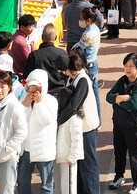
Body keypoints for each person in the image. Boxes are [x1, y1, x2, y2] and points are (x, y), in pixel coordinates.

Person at [106, 53, 137, 194]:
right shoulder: (122, 80)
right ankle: (119, 177)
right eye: (125, 65)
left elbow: (133, 104)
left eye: (131, 66)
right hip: (119, 123)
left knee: (134, 155)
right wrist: (122, 98)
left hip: (134, 126)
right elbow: (108, 97)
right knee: (119, 152)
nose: (127, 68)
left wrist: (118, 100)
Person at [0, 71, 29, 194]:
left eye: (3, 86)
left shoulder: (14, 106)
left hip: (7, 158)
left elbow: (22, 131)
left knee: (7, 191)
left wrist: (7, 148)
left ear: (9, 87)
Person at [60, 51, 99, 194]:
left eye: (63, 70)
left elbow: (73, 106)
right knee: (80, 165)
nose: (62, 73)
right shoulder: (74, 77)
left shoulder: (82, 80)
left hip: (87, 128)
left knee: (88, 165)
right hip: (79, 127)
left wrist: (58, 122)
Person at [20, 70, 58, 194]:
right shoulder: (24, 99)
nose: (34, 90)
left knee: (46, 184)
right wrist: (24, 105)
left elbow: (45, 120)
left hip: (43, 148)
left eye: (37, 87)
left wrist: (39, 103)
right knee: (22, 181)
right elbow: (18, 120)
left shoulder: (51, 101)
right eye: (31, 87)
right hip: (27, 148)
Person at [55, 58, 85, 194]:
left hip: (68, 158)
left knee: (70, 186)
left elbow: (78, 139)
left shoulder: (73, 118)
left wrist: (72, 157)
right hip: (62, 156)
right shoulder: (64, 117)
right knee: (64, 185)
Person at [26, 24, 70, 94]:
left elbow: (27, 76)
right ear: (55, 38)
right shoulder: (62, 54)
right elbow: (68, 74)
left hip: (39, 93)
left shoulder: (34, 55)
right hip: (59, 92)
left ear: (42, 37)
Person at [72, 7, 102, 113]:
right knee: (95, 93)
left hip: (87, 66)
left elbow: (77, 47)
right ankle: (98, 120)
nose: (80, 21)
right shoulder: (96, 29)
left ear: (88, 20)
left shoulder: (87, 35)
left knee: (87, 94)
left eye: (82, 19)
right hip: (93, 64)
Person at [11, 14, 37, 78]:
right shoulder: (21, 43)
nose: (32, 29)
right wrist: (33, 49)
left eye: (32, 27)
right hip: (21, 75)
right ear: (22, 27)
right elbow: (30, 61)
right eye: (30, 27)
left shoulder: (14, 36)